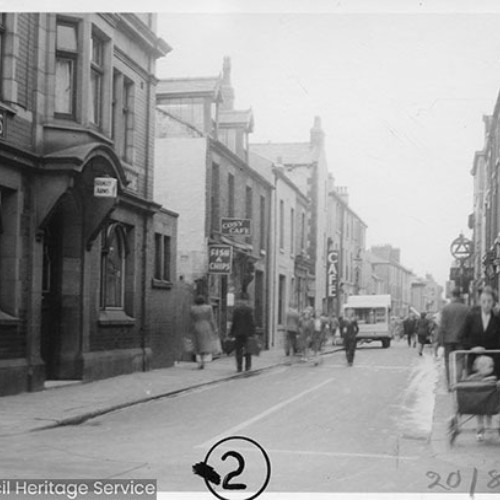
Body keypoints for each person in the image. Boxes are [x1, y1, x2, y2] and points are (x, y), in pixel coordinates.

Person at [460, 286, 500, 440]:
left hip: (493, 361)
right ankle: (480, 426)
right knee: (478, 392)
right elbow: (462, 337)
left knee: (491, 392)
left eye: (489, 301)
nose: (486, 304)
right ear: (479, 302)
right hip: (475, 361)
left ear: (493, 302)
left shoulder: (497, 320)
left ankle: (490, 421)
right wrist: (472, 347)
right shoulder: (472, 317)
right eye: (484, 301)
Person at [438, 287, 469, 389]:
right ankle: (457, 382)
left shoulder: (446, 309)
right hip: (461, 340)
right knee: (459, 360)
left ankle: (450, 383)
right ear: (459, 295)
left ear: (452, 295)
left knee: (448, 361)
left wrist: (441, 343)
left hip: (448, 340)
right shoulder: (466, 308)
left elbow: (442, 326)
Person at [230, 293, 257, 373]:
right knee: (248, 349)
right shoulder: (249, 310)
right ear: (246, 301)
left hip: (238, 332)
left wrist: (232, 332)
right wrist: (253, 332)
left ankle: (239, 367)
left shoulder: (236, 310)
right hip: (248, 333)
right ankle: (248, 366)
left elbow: (234, 322)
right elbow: (252, 322)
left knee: (238, 350)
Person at [190, 295, 218, 369]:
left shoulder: (193, 309)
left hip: (196, 326)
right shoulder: (209, 308)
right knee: (205, 344)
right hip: (206, 326)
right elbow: (211, 319)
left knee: (198, 344)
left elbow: (191, 319)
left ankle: (200, 361)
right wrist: (214, 328)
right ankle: (203, 361)